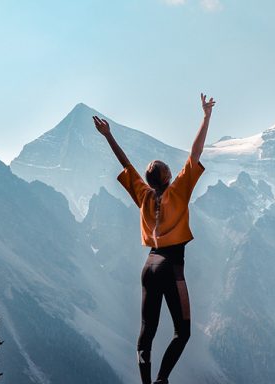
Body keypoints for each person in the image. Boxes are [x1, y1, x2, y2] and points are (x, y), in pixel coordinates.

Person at [92, 94, 215, 384]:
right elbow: (195, 153)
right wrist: (206, 116)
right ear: (168, 176)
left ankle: (146, 382)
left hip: (148, 266)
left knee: (147, 329)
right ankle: (162, 380)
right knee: (182, 332)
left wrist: (108, 136)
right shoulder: (178, 192)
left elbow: (126, 165)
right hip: (172, 266)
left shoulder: (143, 195)